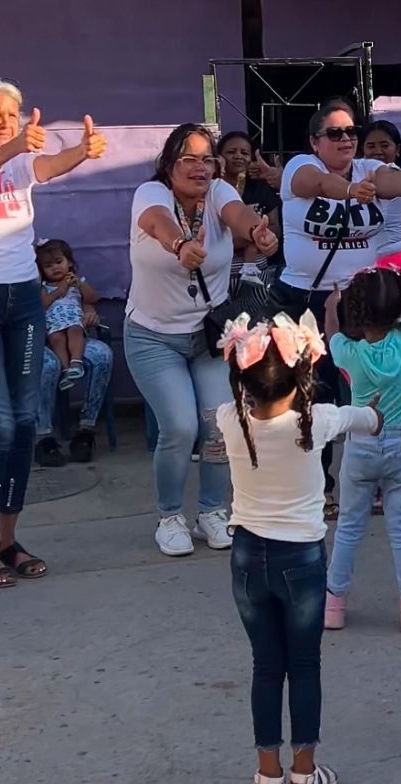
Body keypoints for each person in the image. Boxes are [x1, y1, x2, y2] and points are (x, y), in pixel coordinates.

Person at [216, 310, 382, 784]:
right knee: (304, 666)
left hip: (246, 556)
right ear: (303, 373)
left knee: (266, 667)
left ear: (244, 380)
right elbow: (368, 420)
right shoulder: (320, 420)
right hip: (301, 561)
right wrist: (372, 408)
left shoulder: (231, 420)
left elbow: (236, 404)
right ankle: (304, 776)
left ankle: (267, 780)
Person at [0, 76, 105, 587]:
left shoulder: (20, 158)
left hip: (22, 299)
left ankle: (8, 538)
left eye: (11, 115)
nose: (5, 123)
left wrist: (84, 152)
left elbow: (45, 166)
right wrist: (8, 146)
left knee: (23, 423)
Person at [272, 102, 401, 520]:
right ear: (314, 141)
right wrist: (348, 191)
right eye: (335, 133)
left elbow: (388, 179)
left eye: (350, 132)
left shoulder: (366, 169)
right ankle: (317, 486)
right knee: (313, 394)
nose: (346, 139)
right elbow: (316, 184)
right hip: (305, 299)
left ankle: (374, 481)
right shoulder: (299, 167)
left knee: (370, 391)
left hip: (359, 303)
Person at [126, 122, 279, 557]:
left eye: (206, 159)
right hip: (153, 338)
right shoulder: (151, 194)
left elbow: (239, 216)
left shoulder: (219, 193)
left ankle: (212, 511)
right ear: (169, 165)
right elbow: (155, 223)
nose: (199, 168)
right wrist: (179, 245)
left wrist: (257, 232)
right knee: (179, 426)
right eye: (188, 159)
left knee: (219, 424)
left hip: (210, 335)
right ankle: (170, 515)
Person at [322, 268, 401, 634]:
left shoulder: (349, 351)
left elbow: (331, 337)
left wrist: (332, 307)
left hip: (361, 442)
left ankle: (332, 606)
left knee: (348, 528)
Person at [34, 309, 113, 467]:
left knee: (102, 356)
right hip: (34, 338)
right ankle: (43, 437)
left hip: (71, 335)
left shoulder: (71, 284)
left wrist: (89, 311)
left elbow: (84, 298)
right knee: (48, 366)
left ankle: (86, 430)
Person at [362, 120, 401, 303]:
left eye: (385, 145)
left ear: (397, 150)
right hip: (389, 266)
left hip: (390, 270)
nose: (377, 151)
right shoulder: (364, 177)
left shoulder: (392, 175)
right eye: (370, 146)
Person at [216, 131, 282, 279]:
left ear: (251, 157)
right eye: (231, 152)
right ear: (219, 156)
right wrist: (250, 237)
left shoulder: (262, 188)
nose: (238, 156)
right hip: (218, 272)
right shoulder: (211, 188)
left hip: (257, 271)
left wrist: (246, 236)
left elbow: (274, 229)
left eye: (244, 153)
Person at [36, 238, 100, 389]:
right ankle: (66, 371)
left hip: (73, 319)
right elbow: (43, 304)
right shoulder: (45, 287)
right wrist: (59, 291)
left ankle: (76, 363)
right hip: (54, 322)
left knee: (75, 331)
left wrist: (80, 285)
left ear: (69, 262)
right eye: (48, 266)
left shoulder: (76, 282)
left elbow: (93, 298)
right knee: (56, 339)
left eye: (59, 262)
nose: (55, 268)